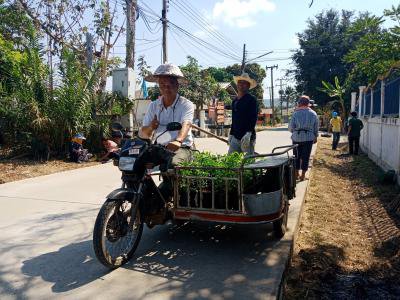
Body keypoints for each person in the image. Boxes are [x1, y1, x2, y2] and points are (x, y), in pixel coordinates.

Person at [140, 63, 194, 198]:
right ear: (159, 86)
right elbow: (144, 133)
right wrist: (152, 127)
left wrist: (178, 140)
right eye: (163, 84)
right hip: (159, 147)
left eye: (170, 84)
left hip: (181, 147)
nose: (166, 87)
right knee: (134, 164)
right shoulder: (154, 105)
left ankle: (171, 200)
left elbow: (186, 124)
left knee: (174, 166)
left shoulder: (186, 104)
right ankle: (141, 196)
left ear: (177, 85)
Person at [289, 95, 319, 181]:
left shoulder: (295, 113)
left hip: (296, 138)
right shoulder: (313, 113)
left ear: (300, 103)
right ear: (308, 104)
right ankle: (303, 176)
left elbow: (291, 127)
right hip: (309, 138)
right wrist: (315, 136)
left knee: (296, 156)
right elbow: (316, 127)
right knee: (306, 156)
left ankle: (296, 174)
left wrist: (295, 131)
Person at [228, 72, 258, 155]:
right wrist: (231, 134)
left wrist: (248, 133)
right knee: (231, 162)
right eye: (240, 82)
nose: (241, 84)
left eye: (244, 83)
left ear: (248, 86)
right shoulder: (235, 101)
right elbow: (234, 119)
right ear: (237, 84)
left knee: (248, 164)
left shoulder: (251, 100)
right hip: (235, 137)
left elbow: (253, 118)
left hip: (247, 138)